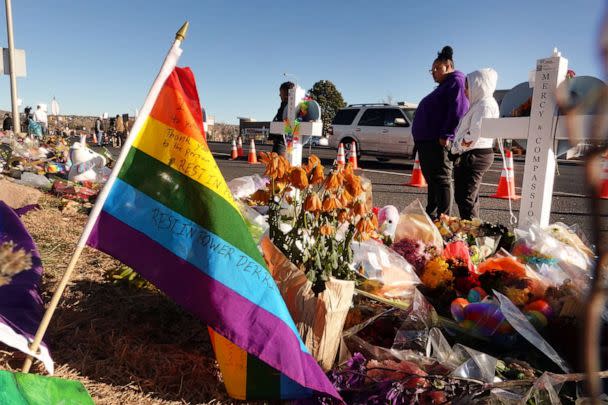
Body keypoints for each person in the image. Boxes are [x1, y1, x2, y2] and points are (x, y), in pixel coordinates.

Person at [411, 46, 469, 219]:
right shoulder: (444, 85)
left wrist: (447, 135)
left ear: (448, 65)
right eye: (432, 69)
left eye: (437, 68)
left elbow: (459, 110)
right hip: (427, 141)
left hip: (437, 141)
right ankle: (432, 213)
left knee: (441, 179)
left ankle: (444, 219)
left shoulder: (456, 81)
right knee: (433, 180)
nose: (434, 72)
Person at [451, 68, 499, 220]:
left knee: (466, 198)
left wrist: (456, 148)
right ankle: (470, 228)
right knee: (468, 196)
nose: (465, 91)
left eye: (467, 86)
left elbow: (474, 134)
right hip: (476, 153)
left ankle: (471, 233)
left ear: (479, 85)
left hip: (475, 154)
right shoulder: (481, 104)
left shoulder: (484, 105)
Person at [269, 81, 295, 156]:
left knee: (277, 165)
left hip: (281, 142)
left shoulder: (285, 106)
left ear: (287, 94)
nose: (279, 95)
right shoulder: (295, 106)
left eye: (281, 92)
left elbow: (282, 120)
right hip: (287, 142)